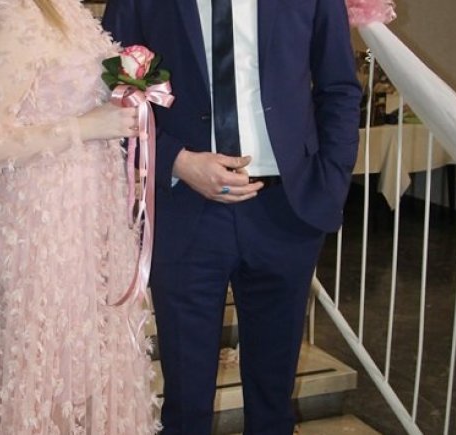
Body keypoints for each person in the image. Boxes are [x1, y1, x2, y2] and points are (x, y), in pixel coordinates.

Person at [103, 0, 361, 434]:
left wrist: (330, 180)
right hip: (185, 208)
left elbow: (339, 88)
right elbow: (115, 88)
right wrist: (178, 161)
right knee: (186, 404)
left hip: (285, 212)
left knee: (273, 401)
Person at [0, 0, 160, 433]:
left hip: (93, 216)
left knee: (90, 372)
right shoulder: (9, 17)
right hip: (40, 226)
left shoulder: (71, 11)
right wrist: (84, 127)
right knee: (49, 378)